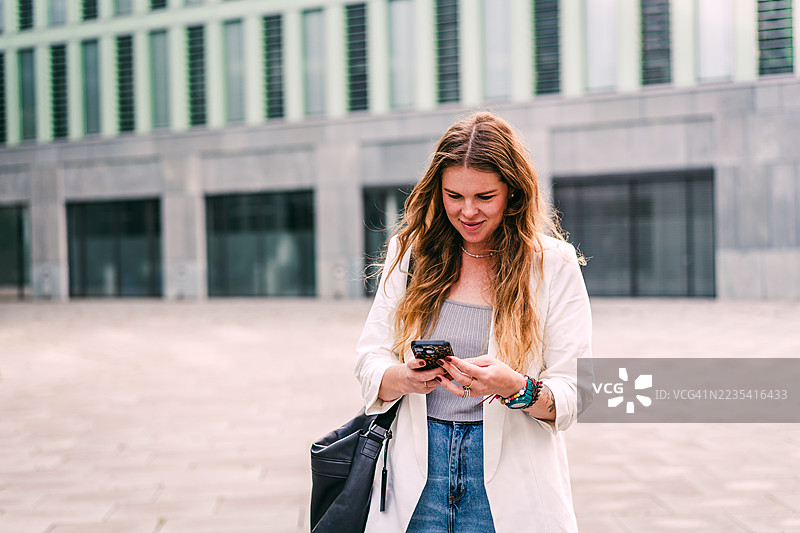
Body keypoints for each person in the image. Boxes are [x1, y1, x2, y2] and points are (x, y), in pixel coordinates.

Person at [354, 111, 591, 533]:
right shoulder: (409, 253)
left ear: (513, 193)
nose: (467, 212)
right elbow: (369, 358)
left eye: (485, 197)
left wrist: (515, 387)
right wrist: (404, 378)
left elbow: (576, 392)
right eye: (453, 196)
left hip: (510, 477)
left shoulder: (552, 265)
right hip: (417, 472)